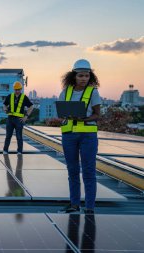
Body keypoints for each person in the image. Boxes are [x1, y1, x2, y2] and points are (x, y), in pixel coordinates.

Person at [58, 59, 101, 214]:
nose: (84, 78)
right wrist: (65, 116)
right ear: (74, 76)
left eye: (87, 75)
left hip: (88, 136)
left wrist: (85, 119)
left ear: (91, 76)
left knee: (89, 171)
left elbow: (97, 115)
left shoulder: (93, 92)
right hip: (69, 136)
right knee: (73, 170)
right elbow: (60, 113)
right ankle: (74, 205)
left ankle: (89, 208)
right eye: (81, 76)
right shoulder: (66, 92)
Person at [3, 81, 34, 155]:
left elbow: (31, 106)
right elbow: (4, 105)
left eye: (18, 89)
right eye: (16, 90)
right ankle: (5, 151)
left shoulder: (24, 97)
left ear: (21, 89)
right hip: (10, 118)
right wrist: (5, 109)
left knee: (19, 136)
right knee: (8, 136)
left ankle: (19, 151)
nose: (17, 91)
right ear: (14, 89)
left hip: (19, 120)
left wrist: (26, 116)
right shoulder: (10, 96)